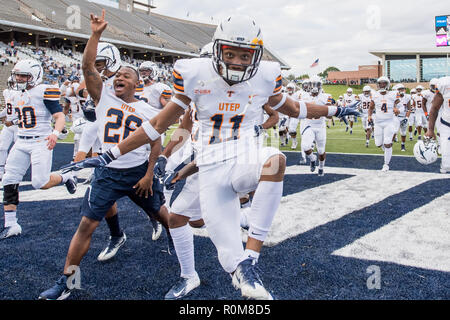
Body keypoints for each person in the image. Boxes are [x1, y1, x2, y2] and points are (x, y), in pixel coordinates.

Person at [61, 12, 359, 300]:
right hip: (210, 163)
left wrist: (337, 109)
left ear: (256, 56)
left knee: (275, 160)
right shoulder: (195, 78)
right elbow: (161, 126)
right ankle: (215, 271)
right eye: (230, 54)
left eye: (245, 56)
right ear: (215, 53)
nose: (237, 62)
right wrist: (114, 155)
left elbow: (294, 109)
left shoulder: (265, 78)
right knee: (210, 239)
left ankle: (252, 255)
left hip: (242, 156)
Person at [39, 11, 169, 299]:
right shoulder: (103, 96)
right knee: (86, 224)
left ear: (137, 84)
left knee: (164, 215)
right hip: (108, 173)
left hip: (137, 172)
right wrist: (95, 35)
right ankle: (66, 282)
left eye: (126, 76)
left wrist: (149, 174)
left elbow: (156, 144)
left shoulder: (149, 109)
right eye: (118, 75)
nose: (119, 78)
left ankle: (182, 250)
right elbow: (88, 68)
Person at [0, 59, 77, 240]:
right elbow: (14, 119)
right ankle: (11, 224)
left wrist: (55, 134)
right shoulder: (16, 94)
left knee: (39, 182)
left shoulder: (44, 91)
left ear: (35, 76)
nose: (19, 79)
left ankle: (66, 176)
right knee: (9, 179)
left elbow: (59, 116)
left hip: (40, 141)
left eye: (24, 75)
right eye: (17, 75)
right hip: (21, 141)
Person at [300, 76, 333, 176]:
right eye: (312, 84)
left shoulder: (326, 96)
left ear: (320, 86)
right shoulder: (304, 96)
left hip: (320, 126)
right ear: (309, 86)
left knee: (321, 150)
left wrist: (323, 110)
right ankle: (313, 158)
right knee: (305, 147)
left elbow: (329, 115)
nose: (314, 87)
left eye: (316, 84)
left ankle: (321, 167)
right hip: (308, 124)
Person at [368, 76, 400, 172]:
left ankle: (386, 164)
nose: (382, 85)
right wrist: (369, 116)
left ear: (387, 84)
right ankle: (387, 150)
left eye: (384, 83)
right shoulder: (374, 95)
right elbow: (371, 108)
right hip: (378, 123)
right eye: (380, 83)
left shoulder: (393, 94)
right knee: (378, 144)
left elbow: (400, 105)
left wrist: (396, 108)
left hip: (389, 121)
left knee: (387, 142)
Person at [426, 76, 449, 173]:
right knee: (447, 165)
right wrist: (430, 130)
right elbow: (434, 108)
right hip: (447, 125)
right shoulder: (445, 84)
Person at [0, 77, 18, 181]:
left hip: (19, 126)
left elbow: (26, 114)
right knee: (2, 147)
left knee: (18, 149)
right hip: (8, 126)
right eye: (10, 83)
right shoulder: (7, 92)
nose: (12, 85)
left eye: (13, 83)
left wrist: (12, 121)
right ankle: (1, 171)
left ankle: (14, 170)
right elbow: (8, 109)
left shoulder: (24, 94)